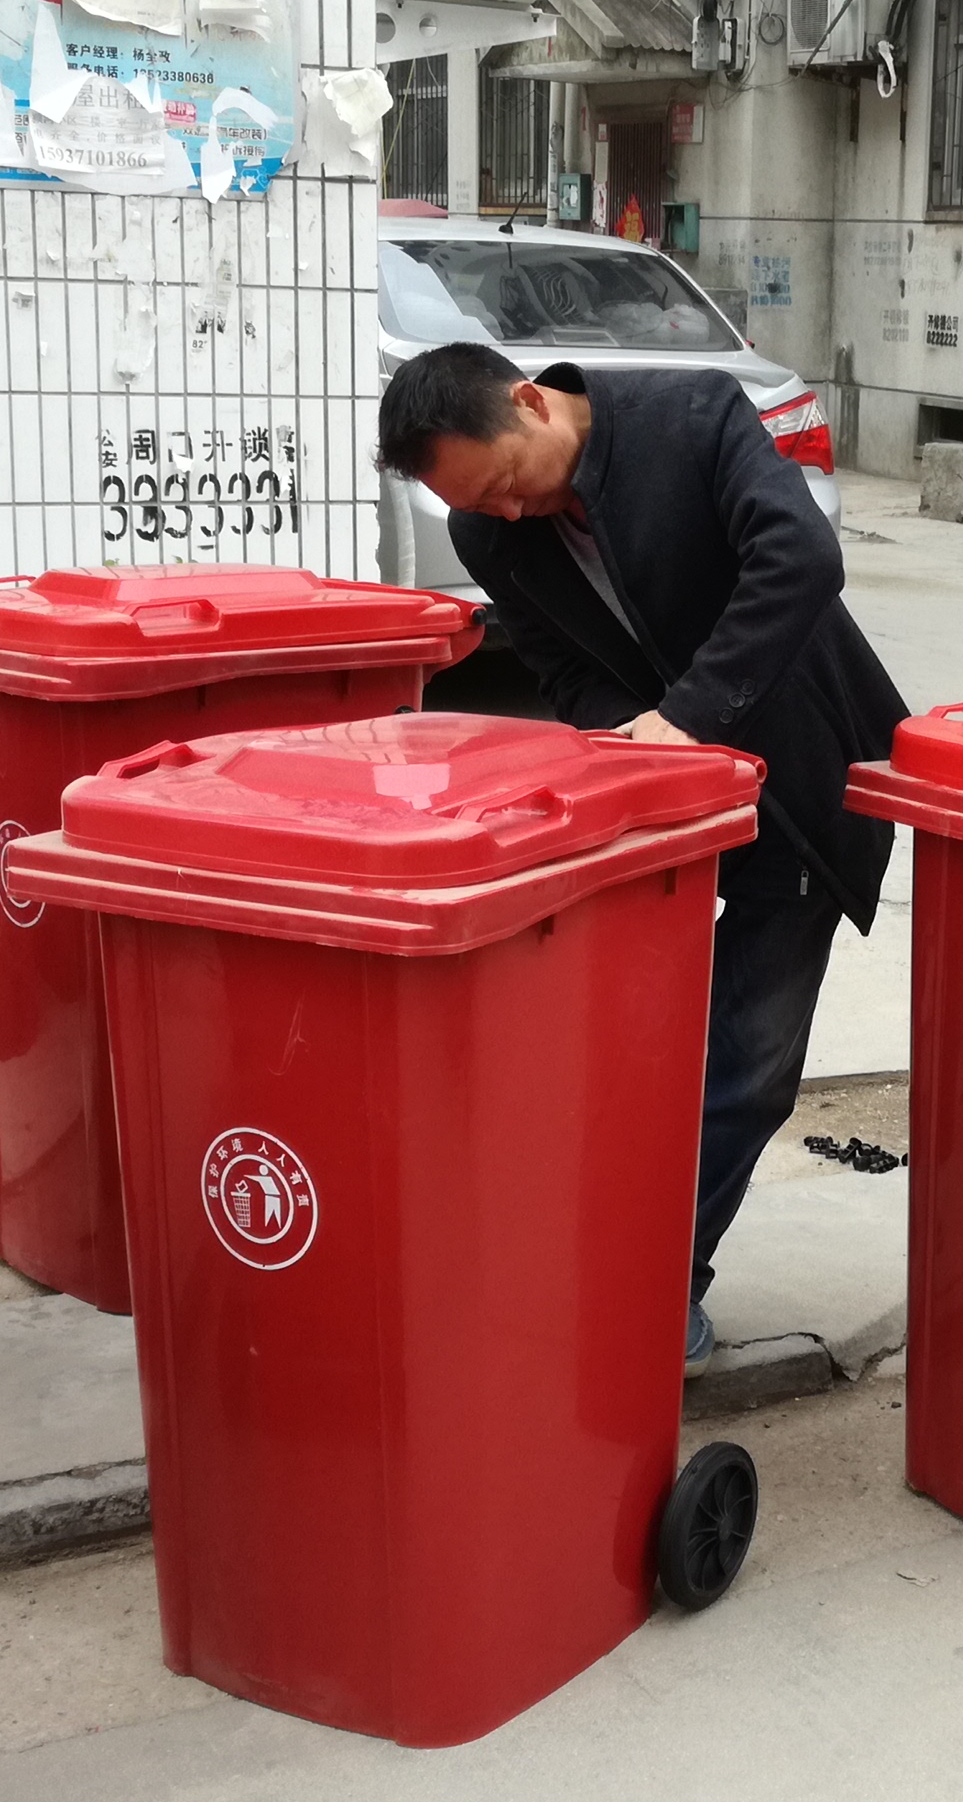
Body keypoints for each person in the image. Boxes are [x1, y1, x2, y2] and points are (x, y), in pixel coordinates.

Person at [377, 342, 909, 1377]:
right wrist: (635, 754)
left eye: (506, 484)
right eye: (479, 507)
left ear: (531, 404)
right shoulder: (491, 530)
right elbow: (560, 667)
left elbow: (801, 559)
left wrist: (691, 718)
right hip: (653, 816)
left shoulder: (689, 417)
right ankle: (577, 1261)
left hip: (799, 780)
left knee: (747, 1062)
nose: (508, 515)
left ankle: (654, 1289)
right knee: (621, 1057)